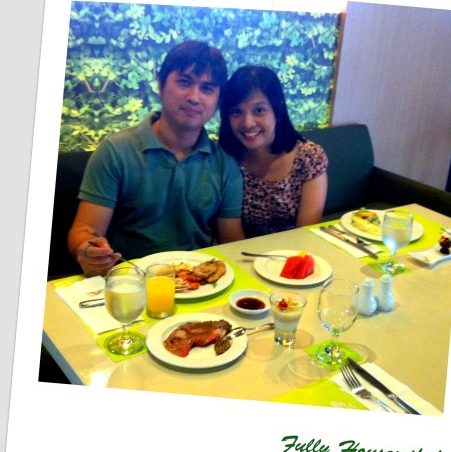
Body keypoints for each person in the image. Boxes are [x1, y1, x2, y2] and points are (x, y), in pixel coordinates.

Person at [68, 40, 245, 277]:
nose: (194, 97)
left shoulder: (225, 165)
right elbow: (85, 229)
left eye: (207, 88)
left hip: (195, 282)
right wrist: (89, 250)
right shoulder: (116, 151)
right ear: (160, 85)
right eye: (184, 82)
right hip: (128, 281)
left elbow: (232, 243)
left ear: (217, 101)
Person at [219, 65, 328, 237]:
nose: (247, 123)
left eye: (259, 110)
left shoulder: (309, 158)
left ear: (277, 112)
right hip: (238, 251)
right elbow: (229, 236)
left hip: (291, 250)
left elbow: (306, 234)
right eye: (236, 112)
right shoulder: (225, 158)